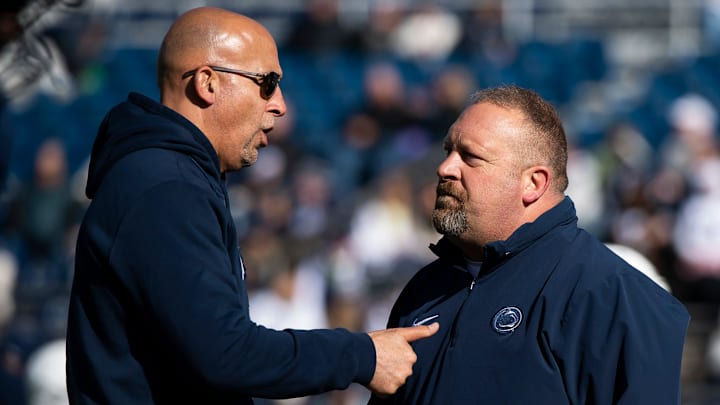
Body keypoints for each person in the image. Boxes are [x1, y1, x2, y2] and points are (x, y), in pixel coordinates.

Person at [65, 7, 438, 404]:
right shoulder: (165, 187)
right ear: (207, 83)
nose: (280, 104)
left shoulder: (173, 177)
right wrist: (363, 355)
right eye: (267, 83)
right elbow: (225, 353)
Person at [368, 85, 690, 404]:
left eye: (470, 156)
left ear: (533, 183)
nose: (445, 168)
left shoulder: (612, 295)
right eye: (448, 151)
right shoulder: (425, 290)